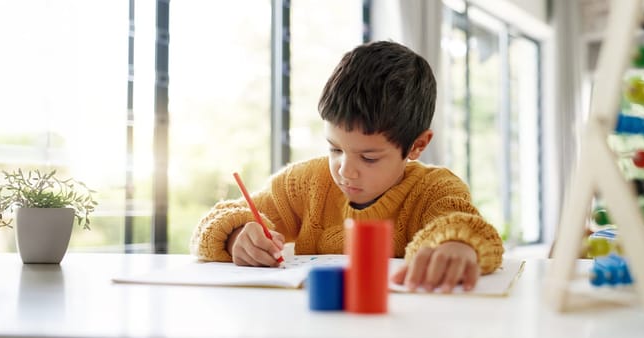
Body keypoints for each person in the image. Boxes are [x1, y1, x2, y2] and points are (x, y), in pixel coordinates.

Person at [190, 40, 503, 293]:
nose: (344, 171)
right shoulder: (305, 183)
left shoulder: (434, 189)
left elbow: (465, 225)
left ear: (418, 145)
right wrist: (238, 236)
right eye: (335, 148)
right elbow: (216, 222)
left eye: (369, 157)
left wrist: (458, 244)